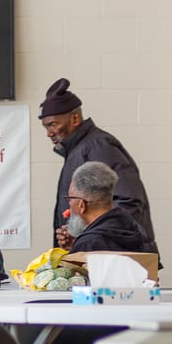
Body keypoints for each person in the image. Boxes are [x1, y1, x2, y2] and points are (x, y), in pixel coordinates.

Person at [40, 78, 155, 250]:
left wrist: (95, 240)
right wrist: (76, 236)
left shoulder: (98, 146)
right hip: (100, 253)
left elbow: (128, 200)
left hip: (117, 258)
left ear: (75, 118)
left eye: (53, 124)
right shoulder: (79, 149)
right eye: (45, 127)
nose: (49, 133)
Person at [63, 160, 158, 257]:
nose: (69, 205)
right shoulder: (132, 229)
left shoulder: (89, 243)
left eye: (70, 199)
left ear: (81, 205)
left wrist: (78, 249)